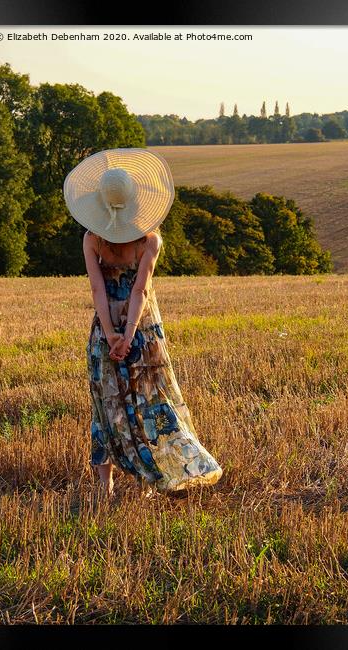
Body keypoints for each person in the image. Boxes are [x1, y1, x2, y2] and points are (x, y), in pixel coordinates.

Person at [63, 147, 223, 500]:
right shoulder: (150, 239)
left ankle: (104, 486)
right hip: (144, 331)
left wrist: (110, 335)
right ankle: (158, 473)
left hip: (104, 330)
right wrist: (130, 336)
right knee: (152, 401)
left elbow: (97, 289)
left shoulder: (92, 238)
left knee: (105, 406)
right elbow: (141, 290)